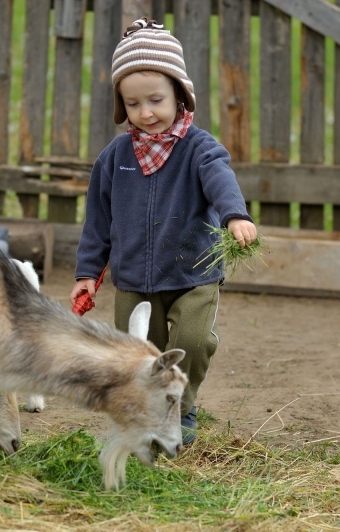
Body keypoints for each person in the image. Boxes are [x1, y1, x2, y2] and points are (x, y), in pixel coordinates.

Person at [70, 18, 257, 446]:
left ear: (180, 95)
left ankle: (182, 409)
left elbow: (220, 180)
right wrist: (87, 272)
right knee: (138, 354)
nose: (146, 112)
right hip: (135, 277)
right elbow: (98, 220)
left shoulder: (199, 148)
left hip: (194, 271)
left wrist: (235, 216)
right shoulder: (115, 157)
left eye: (155, 100)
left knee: (191, 340)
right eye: (133, 104)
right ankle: (147, 415)